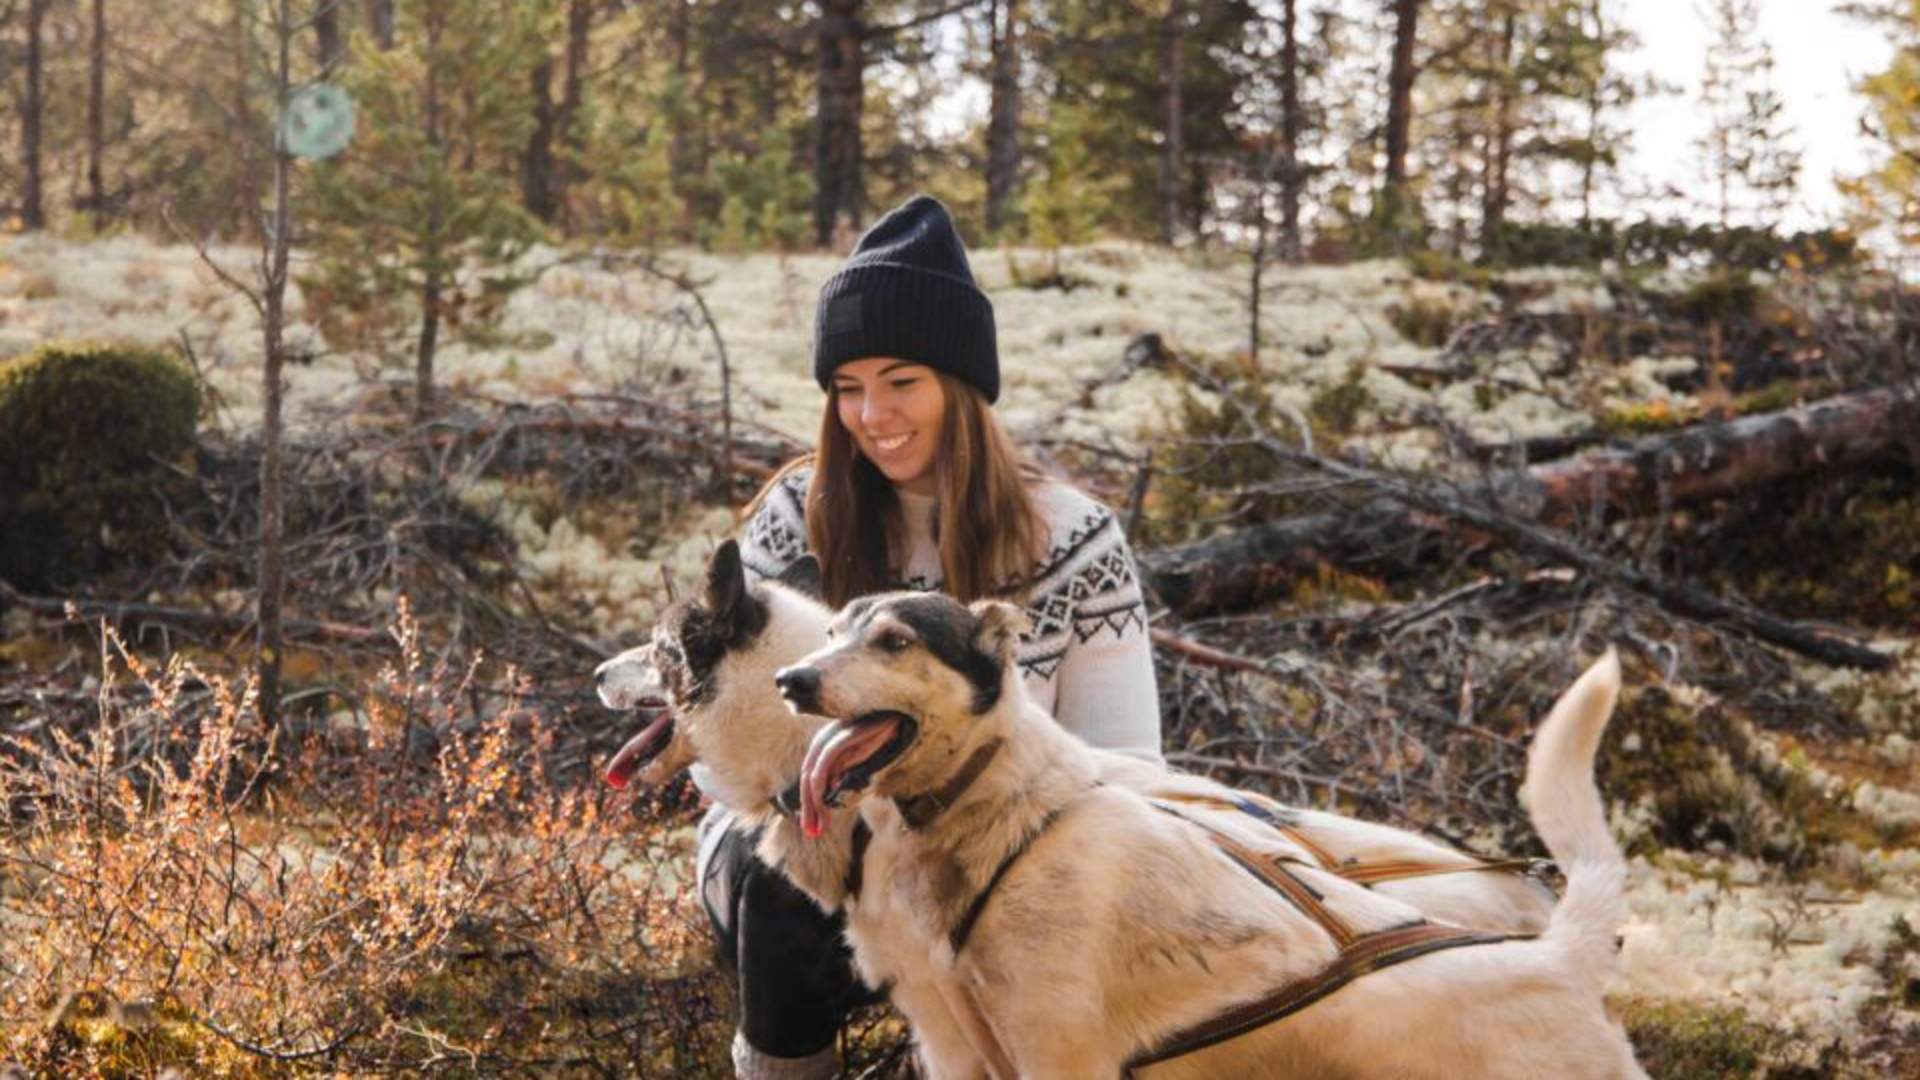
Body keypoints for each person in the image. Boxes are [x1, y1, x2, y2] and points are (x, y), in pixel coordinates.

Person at [696, 194, 1163, 1079]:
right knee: (787, 875)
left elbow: (1129, 759)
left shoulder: (1073, 539)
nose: (873, 415)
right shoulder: (797, 518)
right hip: (796, 840)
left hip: (1000, 846)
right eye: (848, 388)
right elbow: (722, 753)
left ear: (961, 384)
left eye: (901, 381)